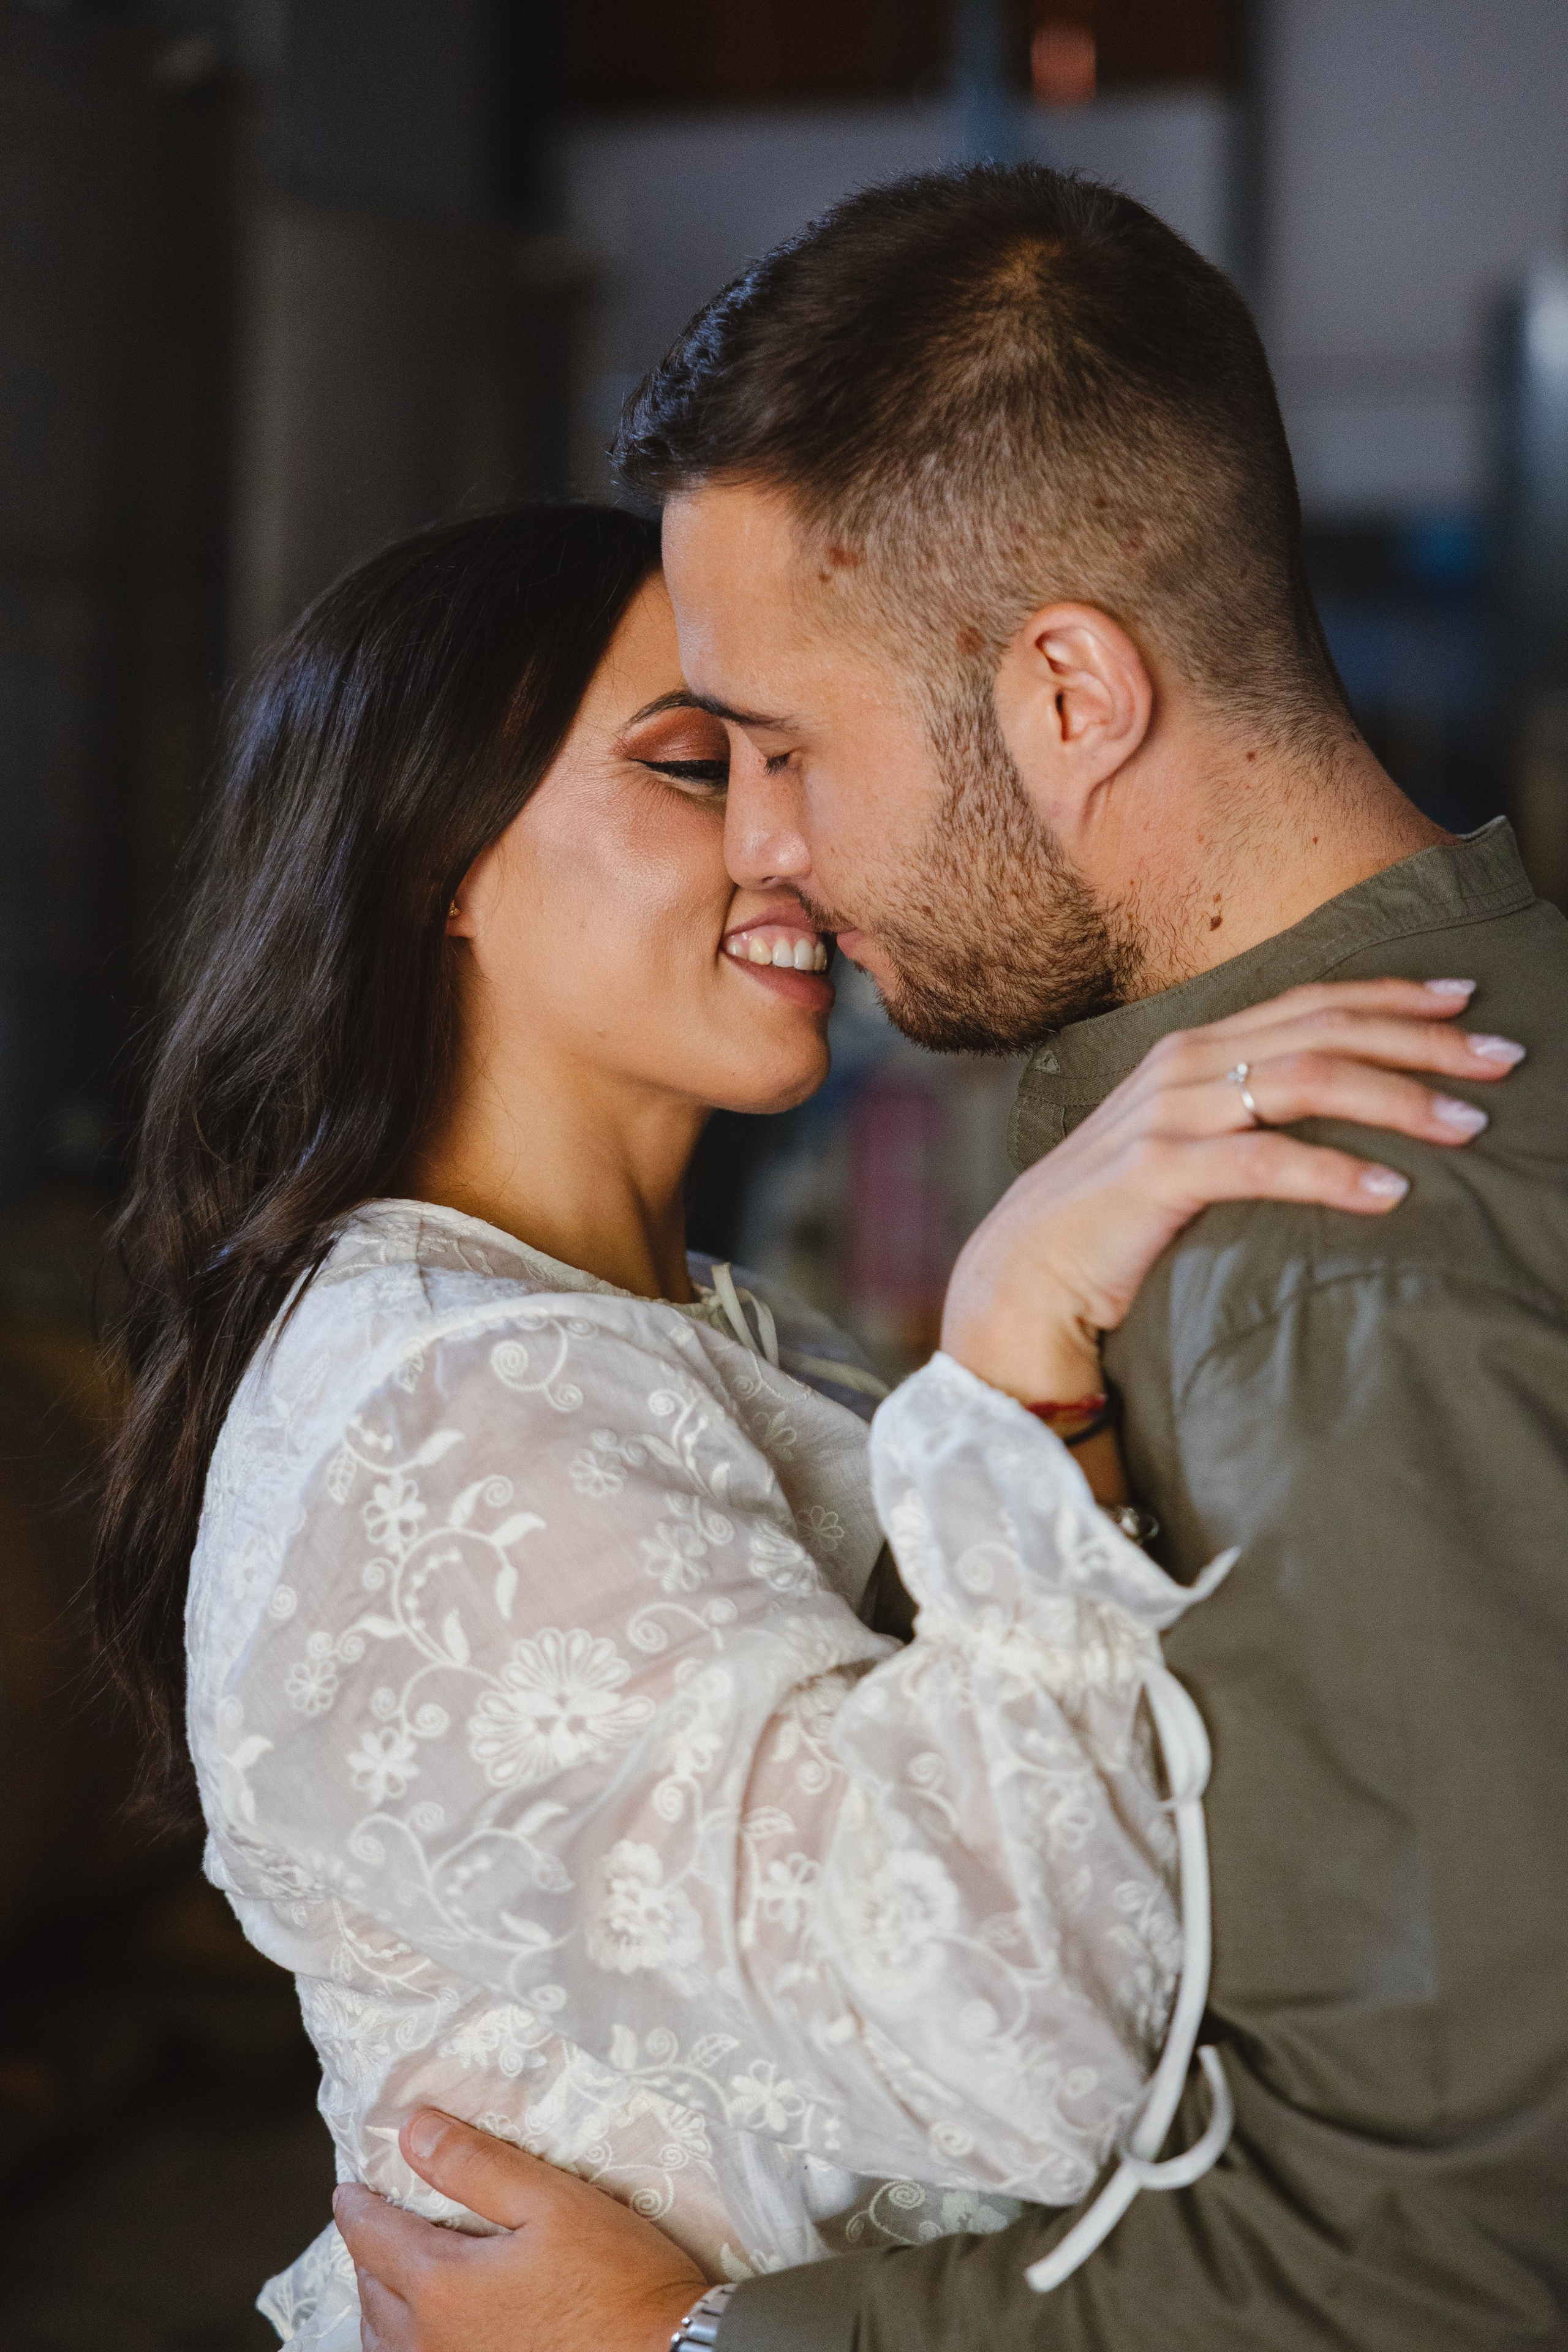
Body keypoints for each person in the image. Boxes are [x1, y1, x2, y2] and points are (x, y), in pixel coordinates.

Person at [333, 167, 1568, 2351]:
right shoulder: (1378, 1074)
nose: (769, 846)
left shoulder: (1321, 1251)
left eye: (786, 747)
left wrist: (697, 2343)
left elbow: (1439, 2260)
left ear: (1072, 696)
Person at [94, 498, 1495, 2352]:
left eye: (786, 759)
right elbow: (1043, 2043)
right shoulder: (463, 1405)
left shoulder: (673, 1332)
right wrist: (1011, 1369)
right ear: (438, 856)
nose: (786, 843)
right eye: (693, 767)